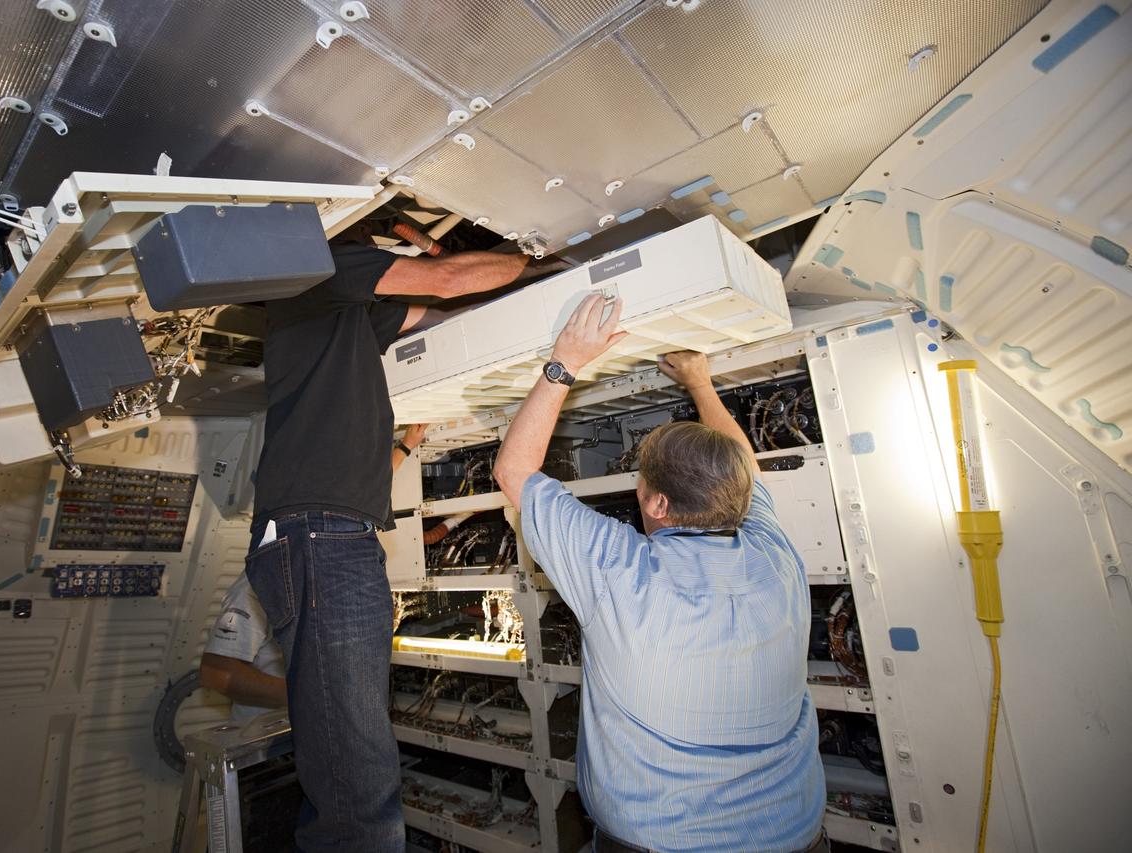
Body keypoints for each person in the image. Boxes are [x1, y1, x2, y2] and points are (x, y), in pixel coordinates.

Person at [493, 295, 827, 853]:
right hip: (793, 837)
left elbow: (513, 471)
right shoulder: (774, 556)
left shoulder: (622, 572)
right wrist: (701, 381)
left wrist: (565, 361)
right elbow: (746, 465)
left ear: (659, 506)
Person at [244, 240, 534, 853]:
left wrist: (526, 312)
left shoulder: (345, 312)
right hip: (319, 537)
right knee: (357, 779)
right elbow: (448, 280)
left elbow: (443, 315)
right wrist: (534, 257)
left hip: (330, 536)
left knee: (357, 759)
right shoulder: (314, 271)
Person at [201, 423, 429, 722]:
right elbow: (217, 673)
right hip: (269, 745)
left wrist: (406, 446)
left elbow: (362, 497)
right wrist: (305, 694)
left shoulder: (336, 570)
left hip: (323, 733)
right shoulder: (261, 581)